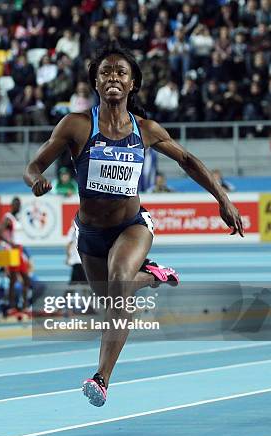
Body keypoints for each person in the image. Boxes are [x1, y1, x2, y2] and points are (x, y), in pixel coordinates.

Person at [24, 44, 244, 408]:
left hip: (132, 225)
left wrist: (223, 199)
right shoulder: (76, 125)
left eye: (120, 73)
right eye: (106, 72)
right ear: (95, 82)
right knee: (111, 299)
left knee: (120, 280)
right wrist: (35, 181)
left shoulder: (146, 130)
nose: (113, 77)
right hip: (90, 233)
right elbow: (34, 165)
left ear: (132, 84)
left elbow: (188, 160)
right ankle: (154, 275)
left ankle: (101, 378)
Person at [0, 197, 31, 317]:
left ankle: (24, 307)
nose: (18, 207)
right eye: (16, 204)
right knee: (14, 279)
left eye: (19, 204)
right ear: (12, 205)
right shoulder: (8, 218)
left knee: (26, 279)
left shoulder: (17, 218)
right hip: (12, 251)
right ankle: (11, 307)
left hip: (19, 250)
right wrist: (10, 244)